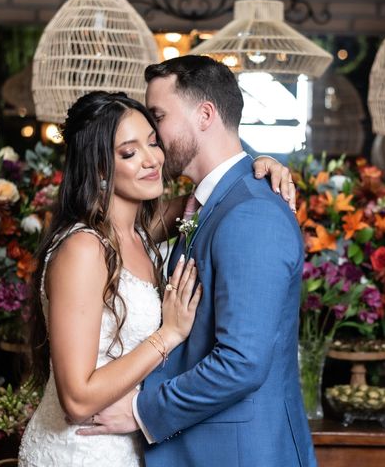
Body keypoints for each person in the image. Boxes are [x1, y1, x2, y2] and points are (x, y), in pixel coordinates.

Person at [18, 90, 297, 466]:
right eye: (130, 152)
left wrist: (260, 163)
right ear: (100, 169)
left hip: (132, 443)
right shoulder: (84, 250)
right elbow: (78, 399)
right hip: (81, 448)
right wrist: (168, 335)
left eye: (153, 142)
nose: (153, 160)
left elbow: (218, 190)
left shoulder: (144, 231)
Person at [79, 56, 316, 467]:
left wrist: (141, 410)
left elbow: (242, 363)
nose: (152, 136)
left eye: (158, 117)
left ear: (205, 115)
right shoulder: (206, 203)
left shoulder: (251, 213)